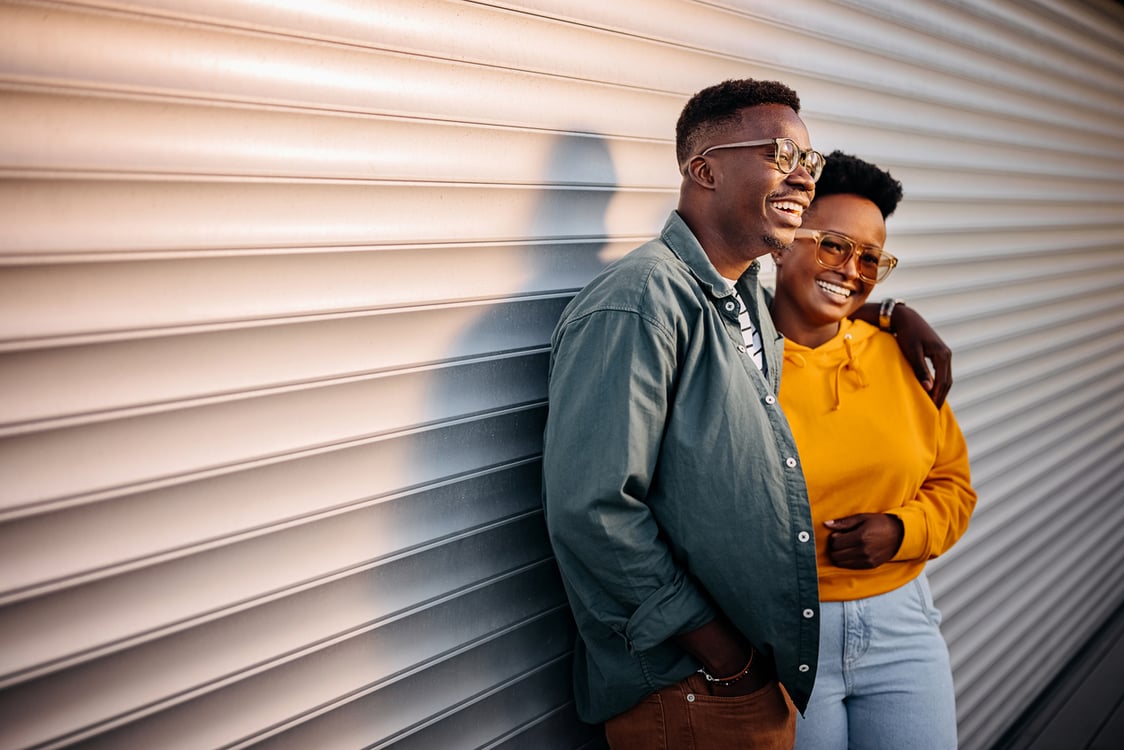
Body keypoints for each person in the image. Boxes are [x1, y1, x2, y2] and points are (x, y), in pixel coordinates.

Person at [541, 79, 950, 749]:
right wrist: (726, 657)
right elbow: (596, 510)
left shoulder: (742, 298)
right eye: (779, 154)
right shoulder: (640, 302)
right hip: (688, 681)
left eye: (809, 163)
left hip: (743, 675)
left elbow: (816, 306)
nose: (802, 178)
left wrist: (890, 311)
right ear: (704, 169)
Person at [768, 151, 978, 750]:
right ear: (783, 243)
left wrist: (902, 530)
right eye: (833, 244)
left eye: (869, 258)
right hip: (785, 637)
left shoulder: (900, 358)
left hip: (901, 625)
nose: (852, 270)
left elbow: (954, 487)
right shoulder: (737, 361)